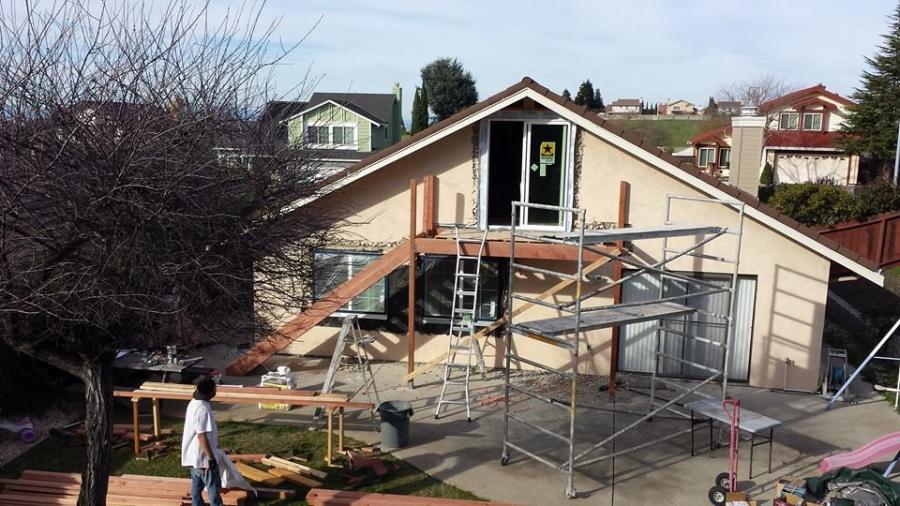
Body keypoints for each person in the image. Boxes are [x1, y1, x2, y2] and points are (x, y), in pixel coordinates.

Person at [181, 377, 223, 506]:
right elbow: (201, 436)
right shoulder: (202, 409)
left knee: (196, 487)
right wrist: (210, 459)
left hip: (194, 458)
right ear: (211, 392)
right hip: (202, 458)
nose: (216, 391)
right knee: (213, 488)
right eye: (215, 389)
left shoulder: (194, 402)